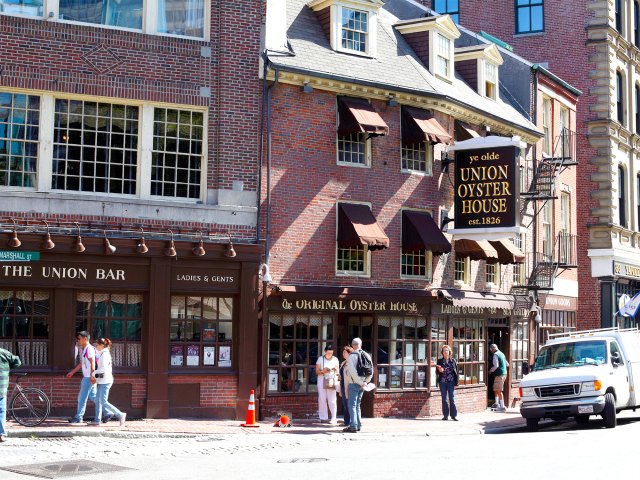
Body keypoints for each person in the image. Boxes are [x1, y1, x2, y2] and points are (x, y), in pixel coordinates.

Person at [88, 338, 126, 427]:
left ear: (101, 345)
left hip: (106, 381)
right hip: (103, 380)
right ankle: (97, 420)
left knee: (103, 401)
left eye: (97, 345)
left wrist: (93, 374)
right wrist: (95, 377)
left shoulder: (104, 355)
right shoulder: (103, 353)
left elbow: (104, 369)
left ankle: (120, 414)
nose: (96, 346)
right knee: (98, 400)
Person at [66, 331, 97, 424]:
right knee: (95, 397)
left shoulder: (89, 349)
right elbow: (81, 364)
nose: (78, 340)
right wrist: (72, 372)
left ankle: (78, 417)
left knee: (82, 398)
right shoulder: (86, 349)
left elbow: (93, 363)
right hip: (88, 377)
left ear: (85, 339)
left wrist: (92, 376)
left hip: (88, 377)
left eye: (79, 338)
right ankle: (111, 412)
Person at [343, 337, 373, 433]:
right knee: (357, 405)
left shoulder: (352, 356)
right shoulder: (367, 355)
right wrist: (366, 382)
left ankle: (353, 425)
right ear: (361, 344)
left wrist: (360, 382)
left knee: (352, 405)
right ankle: (358, 424)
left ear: (352, 345)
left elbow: (352, 372)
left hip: (354, 384)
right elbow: (371, 370)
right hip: (363, 384)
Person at [0, 348, 21, 442]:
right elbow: (17, 362)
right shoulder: (3, 352)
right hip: (1, 387)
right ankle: (1, 434)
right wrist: (9, 367)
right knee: (1, 411)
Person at [315, 344, 339, 424]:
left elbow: (338, 372)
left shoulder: (335, 359)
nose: (330, 355)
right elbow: (317, 372)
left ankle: (333, 417)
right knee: (322, 398)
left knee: (332, 399)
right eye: (328, 353)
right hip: (322, 379)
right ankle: (323, 417)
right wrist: (323, 371)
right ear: (325, 352)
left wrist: (336, 370)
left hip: (331, 379)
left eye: (331, 353)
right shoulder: (320, 359)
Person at [436, 344, 459, 421]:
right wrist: (440, 371)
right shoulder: (439, 361)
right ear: (442, 352)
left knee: (452, 398)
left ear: (449, 352)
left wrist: (456, 383)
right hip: (442, 382)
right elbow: (436, 372)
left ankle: (454, 415)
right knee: (444, 399)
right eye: (444, 351)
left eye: (447, 350)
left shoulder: (453, 361)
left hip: (451, 382)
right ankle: (445, 415)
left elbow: (456, 373)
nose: (445, 352)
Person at [337, 345, 353, 427]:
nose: (343, 354)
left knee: (349, 404)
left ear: (349, 353)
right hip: (342, 385)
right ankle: (346, 421)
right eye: (343, 352)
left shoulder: (351, 363)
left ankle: (350, 422)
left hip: (348, 385)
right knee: (345, 404)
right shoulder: (343, 363)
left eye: (345, 352)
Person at [489, 344, 508, 412]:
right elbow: (507, 364)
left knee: (499, 390)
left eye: (491, 350)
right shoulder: (502, 354)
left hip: (499, 374)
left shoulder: (496, 355)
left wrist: (491, 370)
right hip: (504, 374)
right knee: (495, 389)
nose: (491, 351)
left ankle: (502, 407)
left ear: (492, 349)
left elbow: (496, 365)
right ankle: (497, 403)